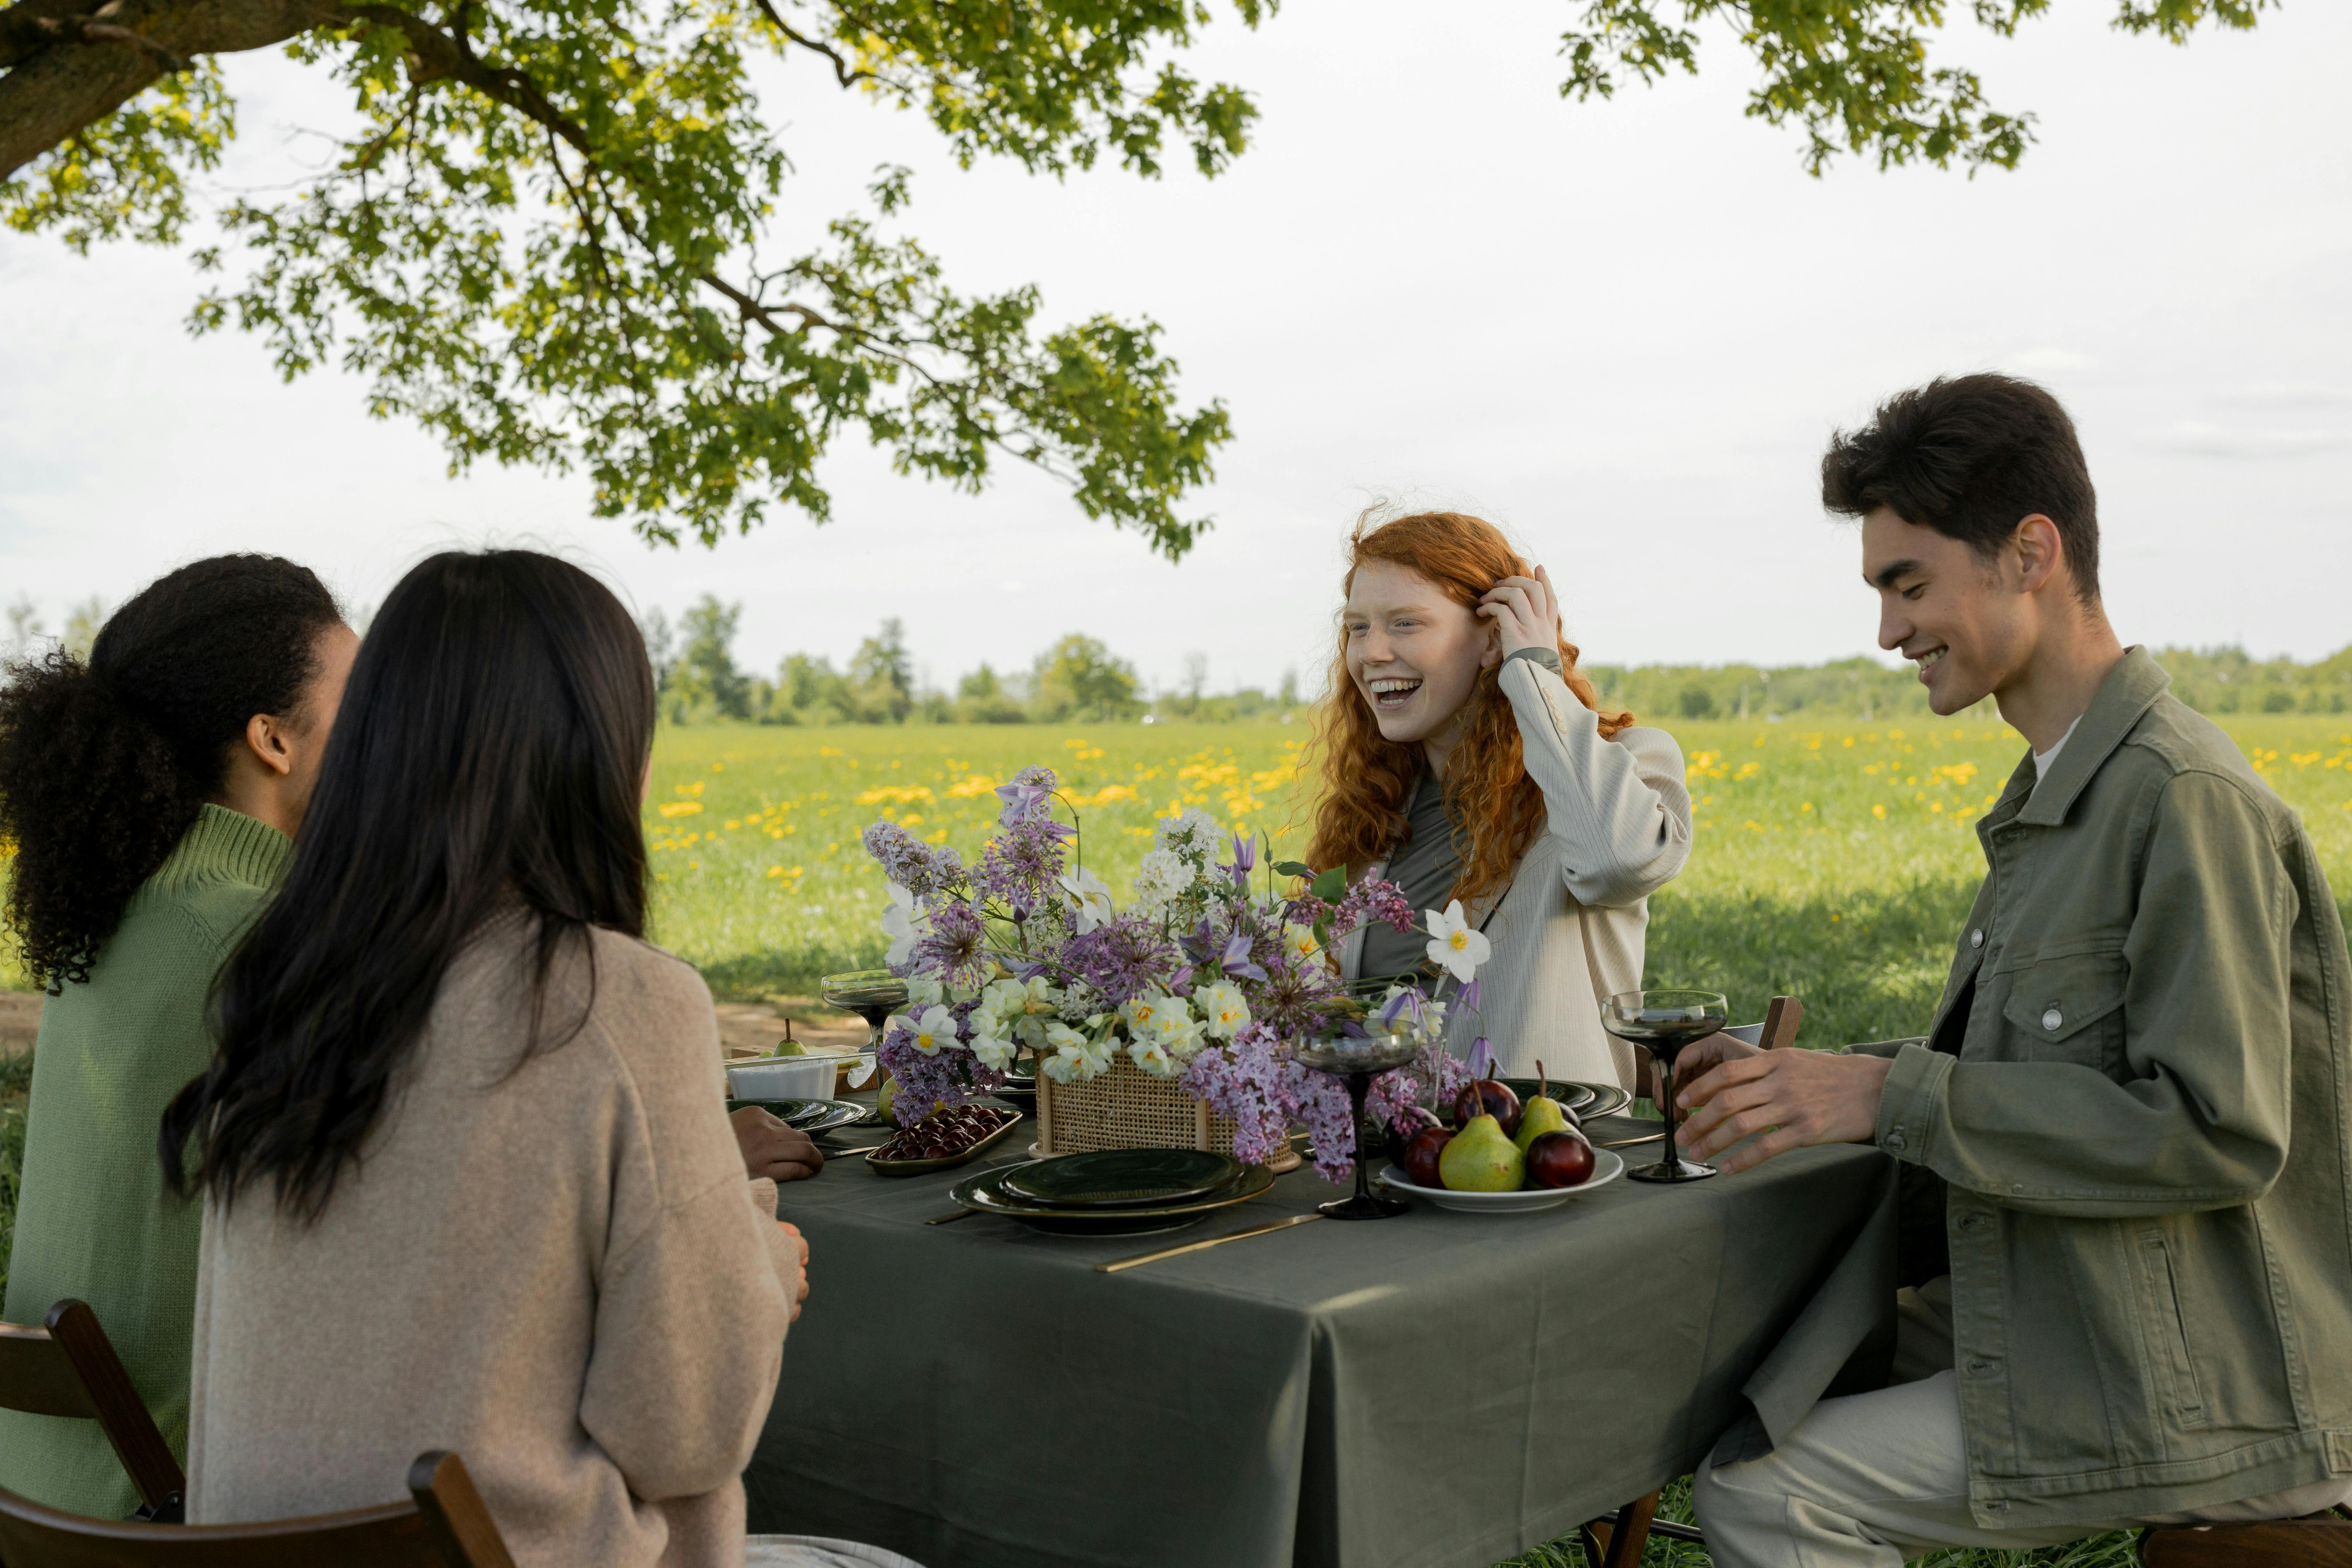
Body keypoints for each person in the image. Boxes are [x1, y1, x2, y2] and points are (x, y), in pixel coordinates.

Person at [1675, 374, 2352, 1565]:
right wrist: (1828, 1082)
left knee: (1768, 1495)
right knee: (1730, 1371)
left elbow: (2218, 1131)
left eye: (1910, 582)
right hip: (2073, 1299)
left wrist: (1888, 1097)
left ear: (2031, 552)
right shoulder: (2058, 792)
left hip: (2192, 1369)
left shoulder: (2182, 799)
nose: (1888, 630)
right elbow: (2042, 1070)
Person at [160, 550, 914, 1568]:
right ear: (603, 757)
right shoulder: (620, 1001)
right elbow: (685, 1430)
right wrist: (759, 1268)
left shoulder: (276, 991)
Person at [0, 555, 355, 1519]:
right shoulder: (263, 942)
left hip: (41, 1508)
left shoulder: (121, 917)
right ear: (273, 740)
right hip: (176, 1520)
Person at [1310, 510, 1693, 1086]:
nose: (1371, 653)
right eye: (1358, 628)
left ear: (1494, 638)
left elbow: (1618, 862)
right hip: (1392, 1162)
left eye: (1406, 624)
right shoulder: (1377, 813)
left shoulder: (1625, 766)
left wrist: (1536, 673)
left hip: (1547, 1156)